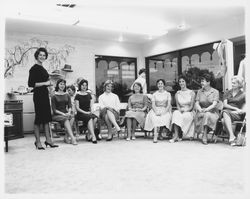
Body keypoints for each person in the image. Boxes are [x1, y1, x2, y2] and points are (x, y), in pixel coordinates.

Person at [28, 47, 58, 150]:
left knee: (46, 118)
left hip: (45, 95)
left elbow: (47, 82)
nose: (42, 57)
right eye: (40, 55)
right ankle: (38, 142)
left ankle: (48, 140)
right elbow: (31, 84)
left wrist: (50, 89)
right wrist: (46, 83)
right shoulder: (34, 68)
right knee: (39, 119)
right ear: (37, 55)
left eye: (44, 55)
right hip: (38, 96)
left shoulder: (43, 68)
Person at [194, 73, 220, 145]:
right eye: (201, 81)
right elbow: (197, 103)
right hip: (202, 111)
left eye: (203, 81)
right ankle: (203, 134)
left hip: (213, 113)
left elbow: (214, 104)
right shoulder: (199, 91)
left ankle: (204, 135)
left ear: (208, 82)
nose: (201, 83)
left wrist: (206, 109)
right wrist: (199, 109)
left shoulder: (215, 92)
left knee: (207, 114)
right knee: (205, 114)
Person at [144, 79, 172, 143]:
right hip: (156, 109)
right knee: (155, 117)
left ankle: (160, 133)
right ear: (157, 85)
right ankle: (155, 135)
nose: (160, 85)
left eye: (161, 83)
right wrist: (156, 112)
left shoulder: (168, 94)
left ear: (164, 85)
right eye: (159, 84)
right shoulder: (154, 94)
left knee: (165, 117)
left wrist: (164, 112)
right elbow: (153, 105)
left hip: (165, 109)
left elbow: (168, 105)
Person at [51, 79, 78, 145]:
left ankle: (66, 136)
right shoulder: (54, 96)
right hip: (57, 115)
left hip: (65, 113)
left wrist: (68, 112)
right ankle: (72, 138)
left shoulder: (67, 95)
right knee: (66, 118)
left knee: (72, 117)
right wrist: (63, 114)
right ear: (58, 85)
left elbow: (70, 106)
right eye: (60, 84)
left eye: (63, 84)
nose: (62, 85)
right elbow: (54, 110)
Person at [169, 75, 196, 143]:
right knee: (175, 113)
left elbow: (192, 106)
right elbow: (178, 105)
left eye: (183, 81)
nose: (181, 83)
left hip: (189, 111)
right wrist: (180, 110)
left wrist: (186, 110)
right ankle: (176, 135)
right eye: (180, 82)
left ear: (186, 82)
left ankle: (181, 133)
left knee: (184, 116)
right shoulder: (177, 93)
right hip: (180, 110)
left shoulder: (191, 93)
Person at [221, 76, 245, 146]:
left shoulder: (243, 94)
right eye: (232, 82)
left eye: (234, 83)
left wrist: (241, 110)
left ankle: (232, 138)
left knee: (223, 120)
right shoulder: (227, 92)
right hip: (227, 111)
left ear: (239, 84)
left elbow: (246, 105)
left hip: (236, 114)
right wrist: (236, 108)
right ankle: (232, 136)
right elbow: (225, 105)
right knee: (225, 112)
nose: (232, 84)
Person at [75, 79, 98, 144]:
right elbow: (77, 108)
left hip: (88, 112)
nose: (84, 86)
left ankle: (88, 134)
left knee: (95, 118)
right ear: (80, 86)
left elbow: (91, 105)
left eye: (86, 85)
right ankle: (93, 136)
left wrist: (91, 111)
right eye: (83, 85)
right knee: (89, 118)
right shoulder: (77, 95)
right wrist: (86, 112)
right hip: (80, 113)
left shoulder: (88, 95)